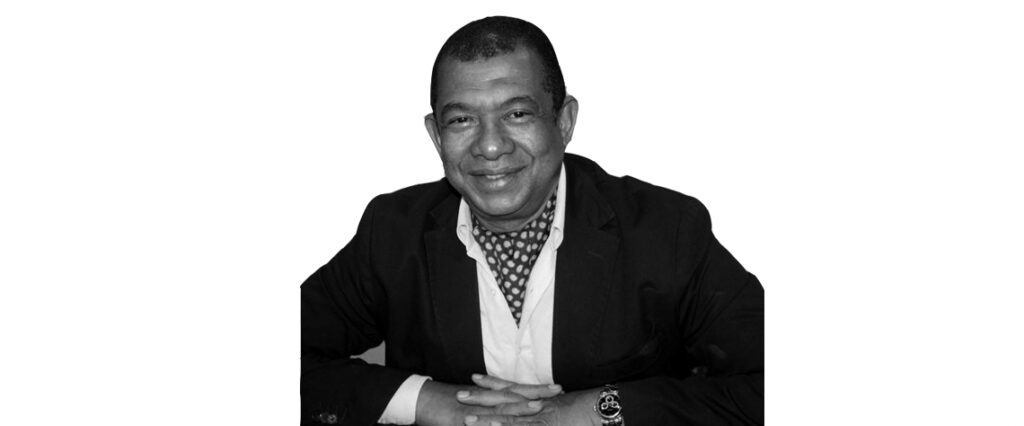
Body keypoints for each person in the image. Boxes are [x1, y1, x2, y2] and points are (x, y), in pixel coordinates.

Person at [301, 16, 763, 425]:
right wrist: (426, 401)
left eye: (517, 114)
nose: (490, 146)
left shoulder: (666, 230)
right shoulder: (392, 232)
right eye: (461, 120)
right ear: (436, 136)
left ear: (564, 122)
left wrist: (593, 411)